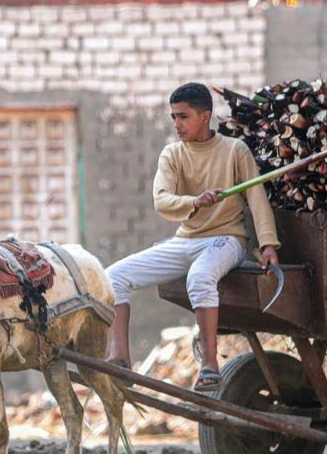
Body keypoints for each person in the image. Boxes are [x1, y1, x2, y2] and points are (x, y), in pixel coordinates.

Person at [105, 82, 280, 391]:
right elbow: (162, 201)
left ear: (205, 116)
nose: (177, 124)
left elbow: (257, 199)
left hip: (226, 240)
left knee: (199, 278)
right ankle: (120, 360)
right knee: (114, 277)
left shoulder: (234, 150)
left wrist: (268, 245)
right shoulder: (172, 154)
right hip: (185, 240)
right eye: (173, 117)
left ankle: (210, 366)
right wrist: (194, 201)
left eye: (183, 117)